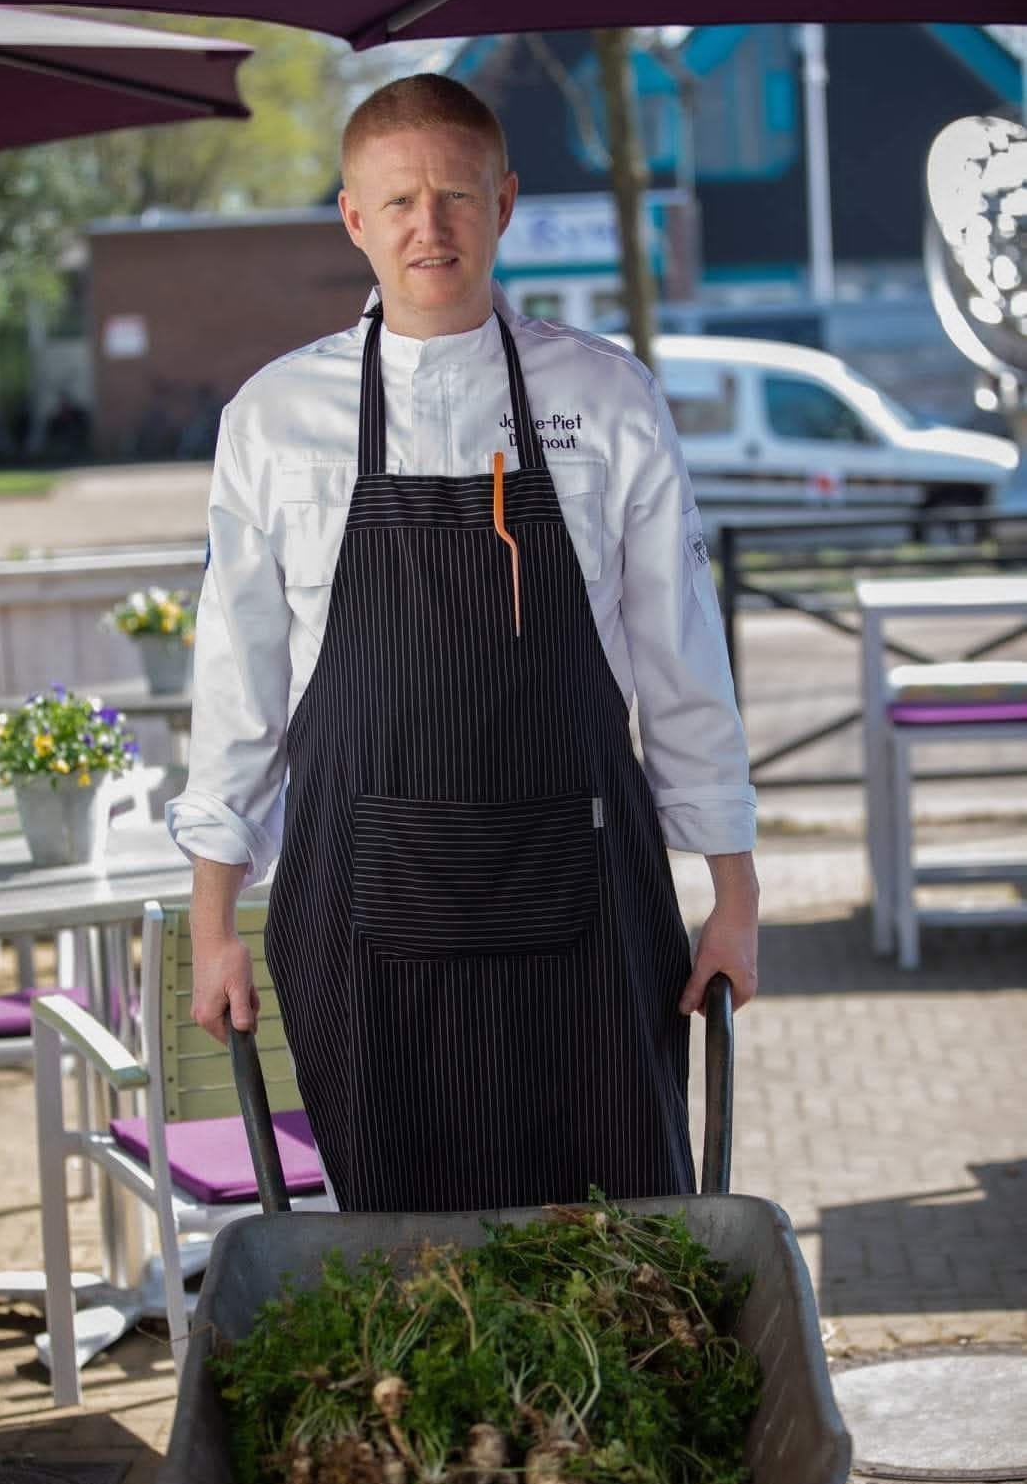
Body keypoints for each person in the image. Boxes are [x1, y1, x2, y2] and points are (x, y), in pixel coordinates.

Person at [166, 74, 759, 1213]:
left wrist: (732, 898)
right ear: (352, 217)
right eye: (396, 201)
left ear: (506, 203)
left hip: (586, 899)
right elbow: (238, 692)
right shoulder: (275, 418)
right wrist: (213, 928)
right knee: (401, 1268)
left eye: (453, 196)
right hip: (361, 913)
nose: (426, 226)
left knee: (619, 1245)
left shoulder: (610, 397)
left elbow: (686, 664)